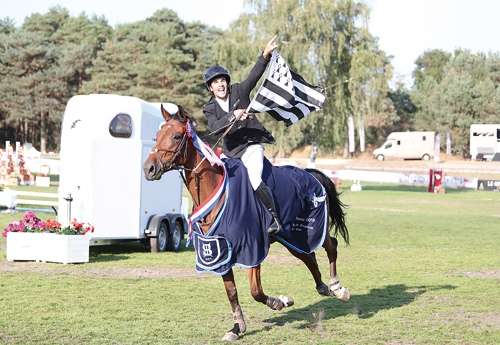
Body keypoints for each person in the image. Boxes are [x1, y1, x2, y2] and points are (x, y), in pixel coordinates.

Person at [203, 35, 283, 236]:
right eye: (215, 82)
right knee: (217, 182)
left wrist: (265, 54)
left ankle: (274, 218)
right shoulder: (210, 108)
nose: (220, 85)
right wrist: (233, 115)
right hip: (231, 152)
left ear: (227, 83)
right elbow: (215, 129)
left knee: (254, 180)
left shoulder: (239, 91)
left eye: (222, 80)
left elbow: (254, 76)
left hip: (251, 146)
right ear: (210, 88)